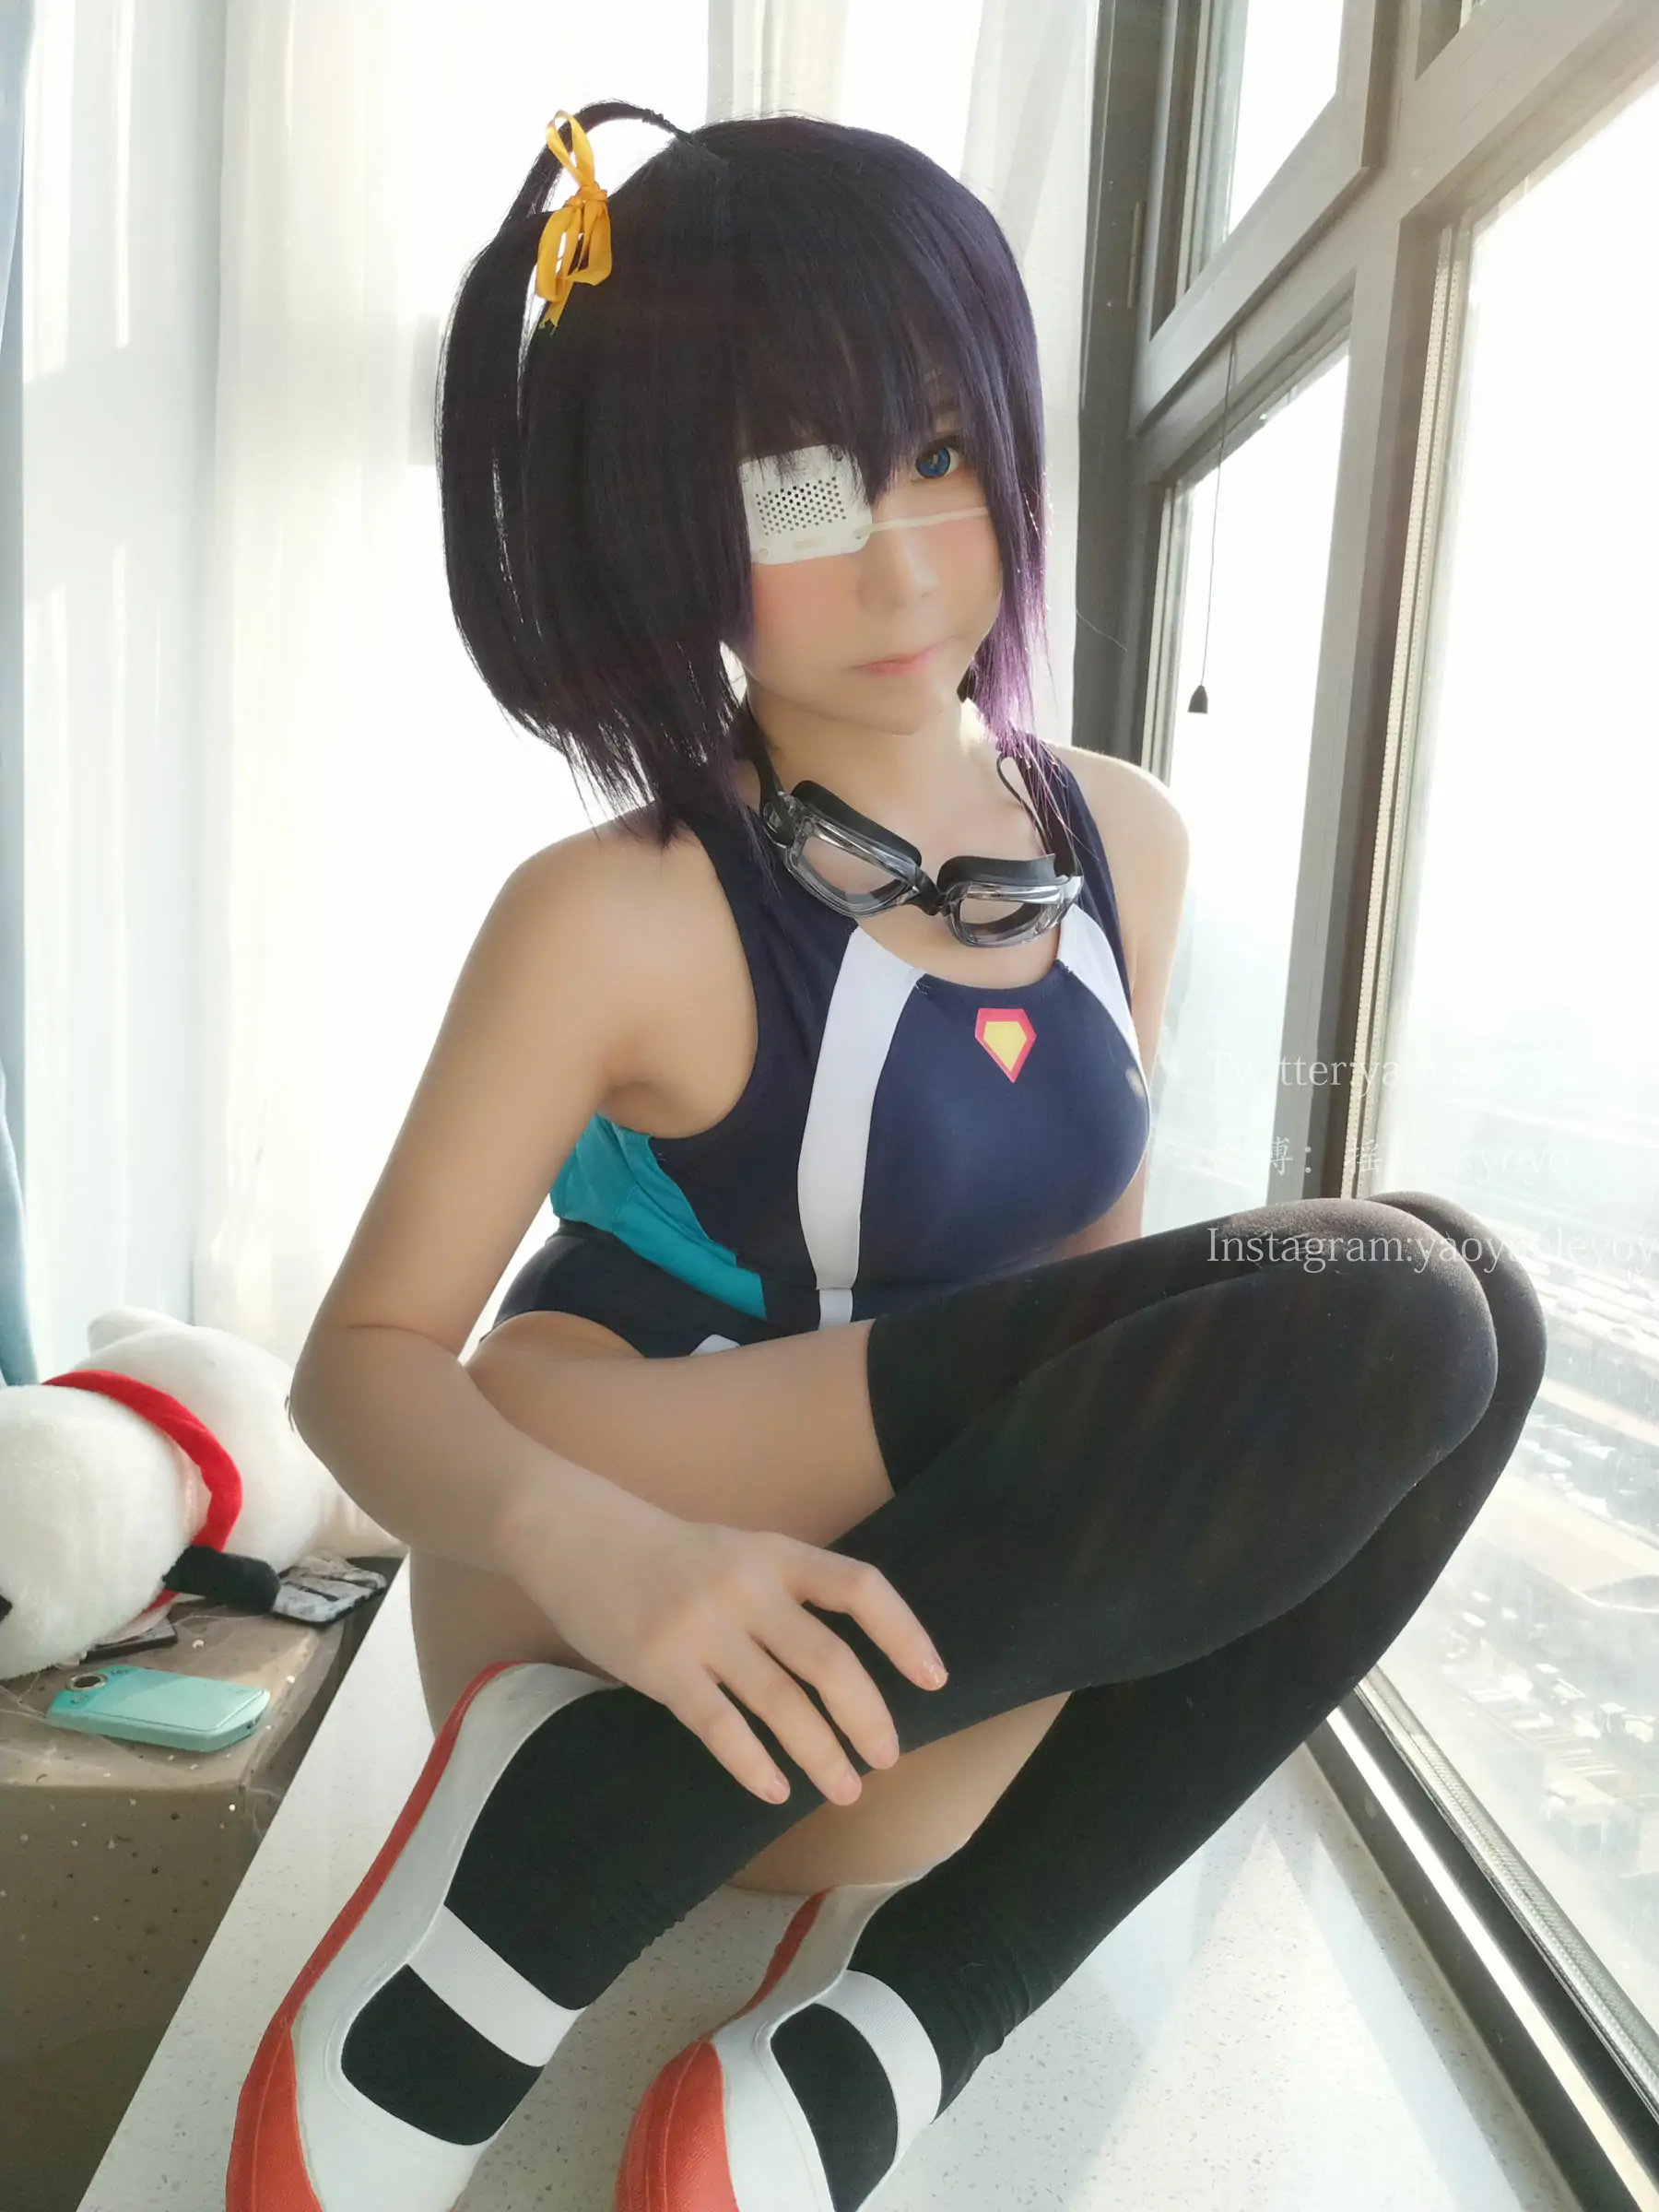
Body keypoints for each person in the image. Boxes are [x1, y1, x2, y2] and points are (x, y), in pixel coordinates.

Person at [226, 105, 1546, 2212]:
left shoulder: (1126, 844)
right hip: (611, 1562)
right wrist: (603, 1550)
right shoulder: (615, 911)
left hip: (886, 1665)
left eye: (938, 451)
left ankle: (886, 2034)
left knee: (1475, 1309)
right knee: (1396, 1305)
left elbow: (1072, 1331)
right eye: (797, 489)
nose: (908, 559)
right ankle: (534, 1894)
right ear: (666, 523)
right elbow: (357, 1367)